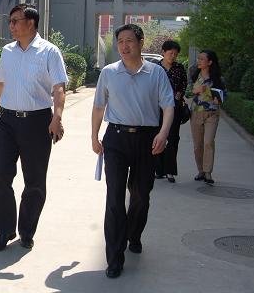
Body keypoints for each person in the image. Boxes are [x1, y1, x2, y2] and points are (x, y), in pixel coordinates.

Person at [91, 24, 174, 278]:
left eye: (129, 40)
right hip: (116, 139)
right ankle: (115, 258)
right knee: (115, 198)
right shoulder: (109, 72)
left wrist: (163, 133)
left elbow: (168, 105)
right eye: (120, 42)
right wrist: (94, 136)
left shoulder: (156, 73)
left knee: (140, 195)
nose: (124, 46)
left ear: (140, 42)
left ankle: (134, 233)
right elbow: (98, 106)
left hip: (147, 140)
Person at [0, 3, 68, 252]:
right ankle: (4, 230)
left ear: (30, 23)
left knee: (34, 181)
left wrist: (57, 118)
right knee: (0, 176)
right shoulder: (7, 51)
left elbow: (59, 88)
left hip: (37, 122)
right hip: (7, 122)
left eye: (15, 21)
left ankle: (27, 231)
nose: (10, 26)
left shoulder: (49, 51)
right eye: (10, 21)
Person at [189, 50, 226, 185]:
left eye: (202, 59)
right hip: (196, 114)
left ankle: (208, 172)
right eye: (198, 59)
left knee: (208, 142)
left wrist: (218, 100)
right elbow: (187, 93)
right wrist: (196, 90)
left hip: (212, 114)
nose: (198, 61)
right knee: (198, 145)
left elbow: (224, 96)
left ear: (210, 62)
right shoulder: (194, 76)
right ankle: (201, 171)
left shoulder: (218, 79)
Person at [155, 40, 188, 183]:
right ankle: (158, 169)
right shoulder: (155, 68)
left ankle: (170, 171)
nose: (173, 56)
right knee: (157, 137)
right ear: (163, 52)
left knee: (173, 138)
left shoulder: (179, 68)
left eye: (175, 54)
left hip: (175, 108)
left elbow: (184, 84)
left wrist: (180, 92)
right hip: (157, 108)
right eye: (171, 53)